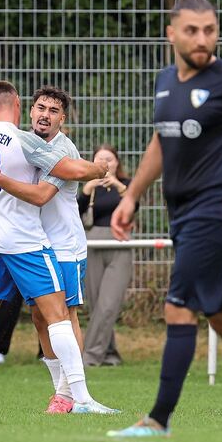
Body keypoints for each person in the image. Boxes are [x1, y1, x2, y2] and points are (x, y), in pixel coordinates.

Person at [108, 0, 222, 438]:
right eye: (192, 30)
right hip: (183, 216)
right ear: (171, 33)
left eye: (210, 30)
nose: (202, 39)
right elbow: (162, 142)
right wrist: (131, 197)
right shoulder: (165, 82)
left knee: (178, 307)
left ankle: (157, 420)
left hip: (217, 213)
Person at [0, 81, 116, 415]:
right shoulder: (23, 141)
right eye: (41, 108)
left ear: (64, 118)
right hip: (28, 243)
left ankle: (73, 397)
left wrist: (97, 167)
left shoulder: (42, 145)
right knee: (44, 319)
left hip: (59, 246)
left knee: (63, 317)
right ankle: (66, 396)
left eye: (54, 111)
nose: (45, 115)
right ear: (25, 108)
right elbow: (10, 183)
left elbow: (42, 186)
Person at [78, 144, 135, 367]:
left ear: (117, 162)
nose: (105, 164)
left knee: (109, 304)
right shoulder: (88, 187)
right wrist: (86, 189)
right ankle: (110, 354)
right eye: (100, 159)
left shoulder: (127, 186)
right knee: (96, 304)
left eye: (109, 159)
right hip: (92, 245)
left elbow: (134, 204)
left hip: (118, 246)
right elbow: (75, 212)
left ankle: (89, 356)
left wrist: (120, 187)